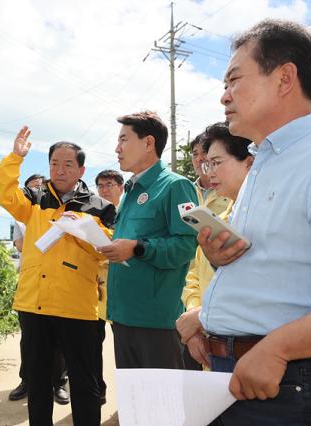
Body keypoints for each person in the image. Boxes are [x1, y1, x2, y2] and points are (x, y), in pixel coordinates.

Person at [185, 19, 311, 424]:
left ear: (285, 78)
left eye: (234, 80)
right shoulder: (263, 167)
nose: (223, 96)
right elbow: (286, 274)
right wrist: (207, 312)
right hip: (239, 378)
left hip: (292, 389)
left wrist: (277, 348)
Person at [0, 127, 115, 425]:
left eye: (68, 164)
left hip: (78, 307)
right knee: (38, 383)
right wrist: (15, 157)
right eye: (54, 164)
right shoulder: (33, 197)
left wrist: (83, 226)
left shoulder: (100, 206)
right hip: (35, 304)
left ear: (81, 169)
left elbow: (108, 249)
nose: (60, 170)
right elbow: (1, 194)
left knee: (85, 383)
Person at [98, 111, 198, 370]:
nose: (117, 148)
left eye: (124, 140)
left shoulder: (177, 187)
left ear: (148, 143)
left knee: (162, 403)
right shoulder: (130, 190)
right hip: (122, 314)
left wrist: (138, 248)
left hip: (156, 321)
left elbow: (186, 246)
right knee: (134, 401)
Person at [177, 122, 253, 367]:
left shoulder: (267, 221)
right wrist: (193, 318)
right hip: (213, 345)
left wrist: (201, 318)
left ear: (249, 163)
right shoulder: (216, 223)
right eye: (206, 164)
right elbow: (194, 276)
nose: (209, 172)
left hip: (251, 354)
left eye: (217, 163)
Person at [9, 173, 70, 406]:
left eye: (40, 187)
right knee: (29, 339)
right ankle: (27, 380)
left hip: (58, 281)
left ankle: (59, 383)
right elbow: (21, 245)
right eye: (31, 188)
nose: (36, 190)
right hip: (31, 283)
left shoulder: (61, 212)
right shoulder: (21, 218)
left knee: (59, 339)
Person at [94, 169, 125, 404]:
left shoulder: (127, 211)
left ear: (120, 187)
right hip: (94, 291)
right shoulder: (93, 213)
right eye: (100, 186)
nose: (104, 190)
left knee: (123, 347)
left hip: (120, 290)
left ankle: (127, 398)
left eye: (109, 184)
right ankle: (97, 392)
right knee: (92, 347)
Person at [189, 134, 230, 215]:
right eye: (195, 154)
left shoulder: (230, 189)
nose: (199, 159)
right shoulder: (188, 190)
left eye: (204, 152)